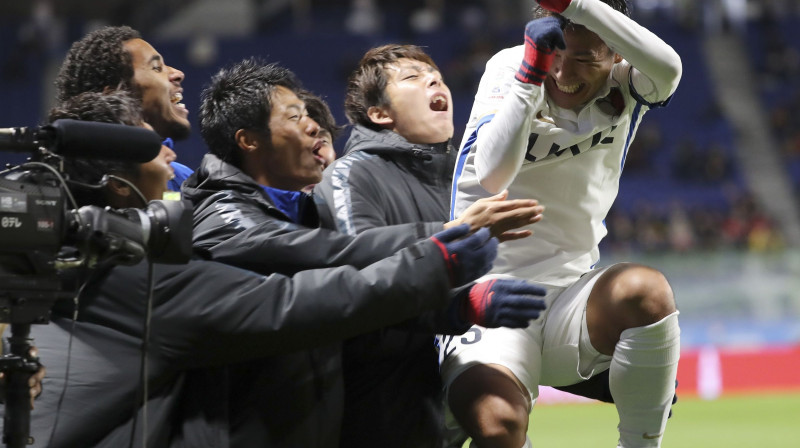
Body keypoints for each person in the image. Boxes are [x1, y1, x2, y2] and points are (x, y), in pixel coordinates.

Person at [17, 90, 501, 448]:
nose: (170, 156)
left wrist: (451, 311)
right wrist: (437, 255)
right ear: (116, 186)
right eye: (155, 146)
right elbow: (291, 304)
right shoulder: (142, 272)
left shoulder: (64, 257)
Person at [181, 57, 547, 447]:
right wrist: (448, 238)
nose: (312, 128)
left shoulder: (297, 208)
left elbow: (349, 295)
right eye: (293, 117)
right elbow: (333, 269)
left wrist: (456, 307)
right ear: (248, 140)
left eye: (310, 116)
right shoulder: (223, 215)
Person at [441, 0, 682, 447]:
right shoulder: (513, 65)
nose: (564, 73)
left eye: (585, 58)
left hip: (571, 302)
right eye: (558, 54)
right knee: (497, 425)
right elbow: (493, 174)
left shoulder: (628, 84)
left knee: (646, 291)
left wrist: (577, 6)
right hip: (487, 297)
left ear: (615, 54)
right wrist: (532, 72)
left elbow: (669, 68)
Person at [54, 25, 193, 191]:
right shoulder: (61, 188)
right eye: (157, 68)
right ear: (117, 95)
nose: (178, 73)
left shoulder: (182, 179)